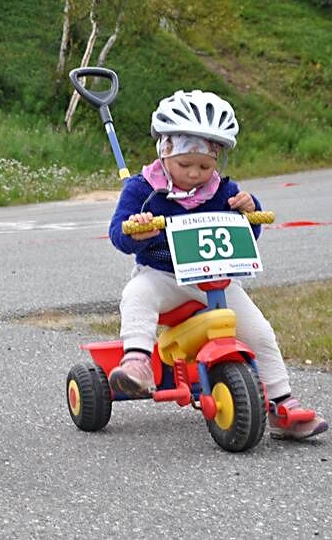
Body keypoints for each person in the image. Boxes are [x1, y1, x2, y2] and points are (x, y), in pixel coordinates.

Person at [107, 89, 327, 441]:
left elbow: (246, 233)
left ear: (218, 161)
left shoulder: (223, 191)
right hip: (164, 277)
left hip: (216, 280)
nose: (195, 174)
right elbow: (118, 233)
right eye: (185, 165)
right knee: (136, 294)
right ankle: (137, 361)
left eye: (205, 166)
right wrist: (139, 231)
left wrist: (249, 209)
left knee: (259, 332)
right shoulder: (142, 189)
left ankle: (281, 403)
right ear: (165, 152)